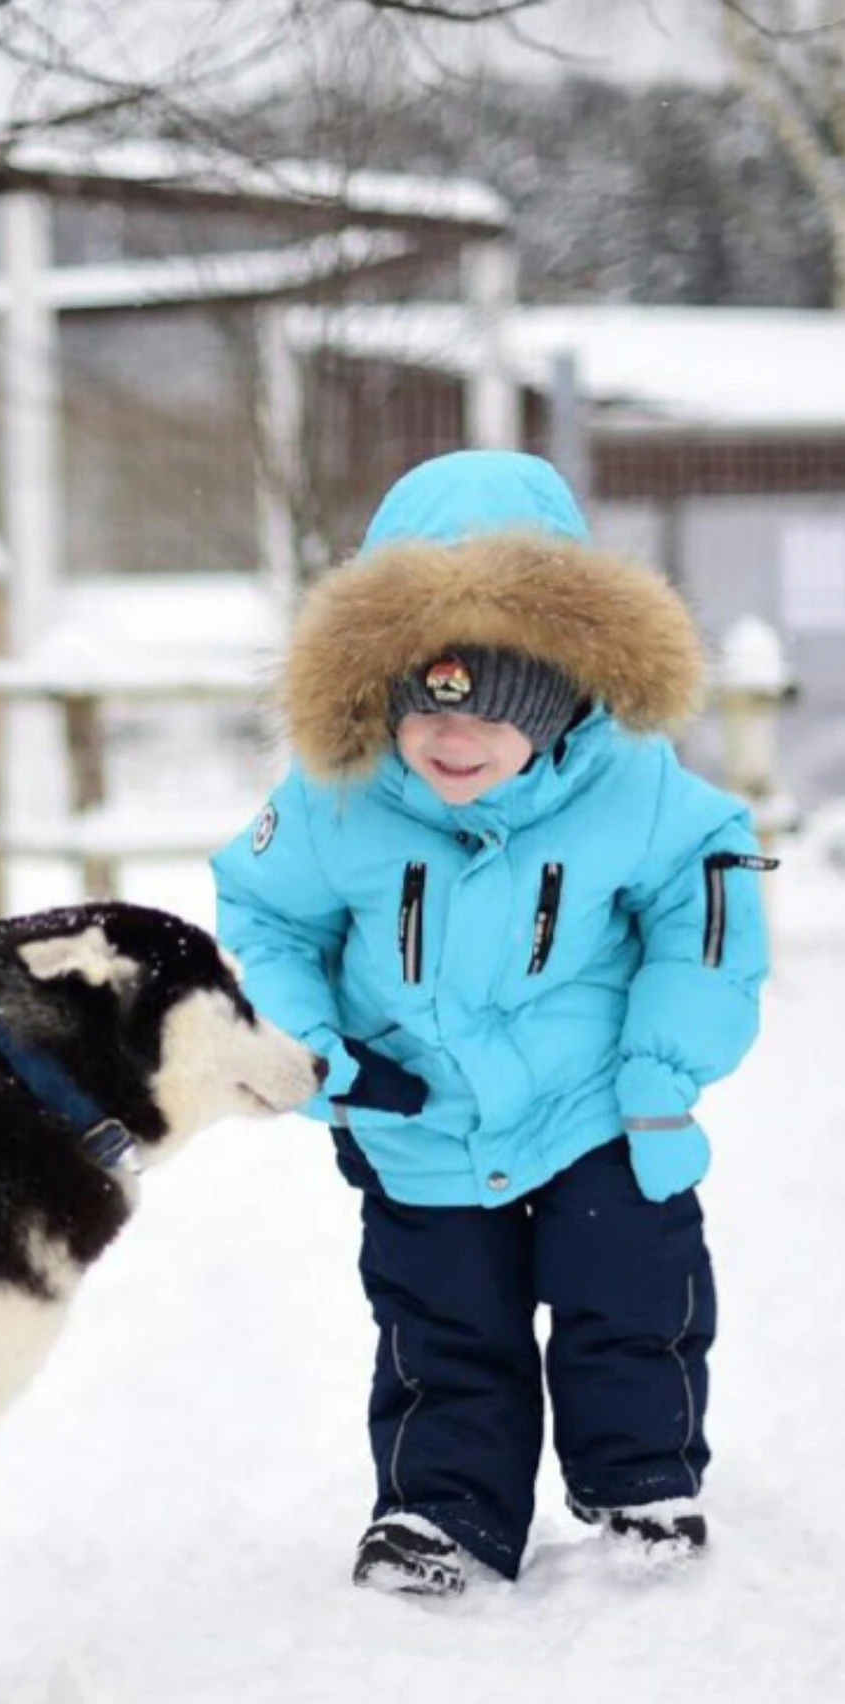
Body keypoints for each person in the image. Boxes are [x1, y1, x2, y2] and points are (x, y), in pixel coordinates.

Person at [212, 450, 774, 1597]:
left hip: (600, 1108)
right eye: (419, 707)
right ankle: (440, 1511)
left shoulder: (638, 787)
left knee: (630, 1298)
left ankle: (638, 1484)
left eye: (487, 714)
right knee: (440, 1324)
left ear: (562, 689)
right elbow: (264, 921)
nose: (446, 740)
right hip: (415, 1118)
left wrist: (663, 1071)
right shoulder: (333, 800)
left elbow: (704, 909)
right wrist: (318, 1052)